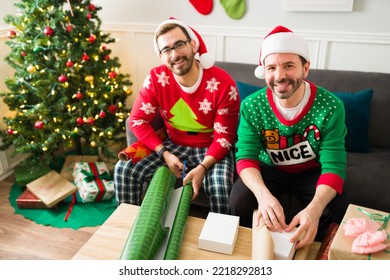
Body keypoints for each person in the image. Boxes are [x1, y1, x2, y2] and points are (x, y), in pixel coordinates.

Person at [229, 25, 350, 249]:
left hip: (310, 170)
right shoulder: (252, 106)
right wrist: (263, 196)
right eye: (272, 67)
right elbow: (245, 157)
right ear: (264, 71)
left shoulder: (331, 107)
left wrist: (314, 210)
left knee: (336, 205)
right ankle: (248, 252)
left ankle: (313, 252)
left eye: (289, 66)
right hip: (268, 169)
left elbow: (334, 167)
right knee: (239, 201)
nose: (280, 75)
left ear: (305, 68)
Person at [114, 18, 240, 214]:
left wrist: (203, 167)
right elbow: (137, 120)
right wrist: (164, 153)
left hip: (212, 147)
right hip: (171, 144)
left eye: (179, 44)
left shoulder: (222, 83)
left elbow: (225, 137)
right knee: (124, 169)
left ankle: (219, 240)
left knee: (220, 185)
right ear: (161, 56)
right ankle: (127, 230)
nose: (175, 54)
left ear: (192, 45)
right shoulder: (156, 79)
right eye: (166, 49)